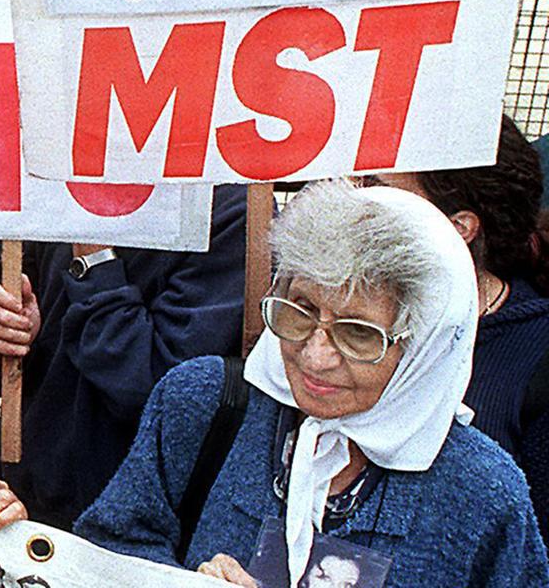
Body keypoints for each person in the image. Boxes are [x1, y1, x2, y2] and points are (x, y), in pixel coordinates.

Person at [72, 182, 549, 586]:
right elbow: (110, 546)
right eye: (300, 312)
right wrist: (183, 582)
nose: (315, 357)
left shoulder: (483, 494)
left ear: (422, 349)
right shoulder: (201, 403)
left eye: (359, 334)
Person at [0, 186, 250, 527]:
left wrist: (93, 261)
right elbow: (1, 289)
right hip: (37, 497)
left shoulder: (229, 208)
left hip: (155, 523)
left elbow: (158, 389)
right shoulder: (49, 181)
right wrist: (3, 332)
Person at [372, 114, 549, 532]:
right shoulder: (334, 322)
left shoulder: (538, 354)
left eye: (384, 195)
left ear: (459, 227)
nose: (361, 209)